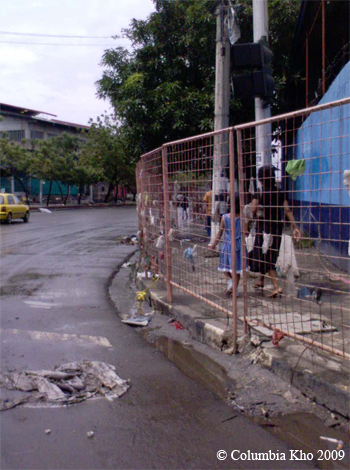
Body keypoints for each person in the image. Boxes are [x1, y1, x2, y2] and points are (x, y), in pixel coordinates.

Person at [248, 165, 300, 298]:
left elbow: (253, 209)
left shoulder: (259, 193)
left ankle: (277, 287)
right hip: (276, 229)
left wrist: (248, 222)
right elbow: (287, 210)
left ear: (261, 179)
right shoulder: (280, 193)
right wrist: (294, 226)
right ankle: (260, 280)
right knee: (267, 255)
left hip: (264, 229)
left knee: (266, 258)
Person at [209, 195, 242, 296]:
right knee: (236, 269)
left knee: (225, 267)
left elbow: (220, 232)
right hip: (239, 246)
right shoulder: (242, 218)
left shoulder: (225, 218)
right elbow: (246, 232)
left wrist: (214, 244)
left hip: (227, 245)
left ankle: (232, 284)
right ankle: (233, 286)